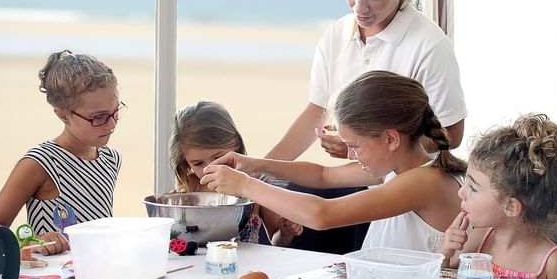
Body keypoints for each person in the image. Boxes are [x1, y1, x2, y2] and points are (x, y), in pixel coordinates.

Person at [266, 0, 467, 161]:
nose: (359, 7)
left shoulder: (430, 46)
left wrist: (360, 148)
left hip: (405, 188)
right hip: (351, 181)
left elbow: (452, 134)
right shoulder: (336, 35)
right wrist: (260, 170)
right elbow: (318, 111)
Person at [200, 71, 466, 253]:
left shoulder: (422, 182)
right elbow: (323, 176)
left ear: (390, 139)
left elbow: (322, 215)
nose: (350, 155)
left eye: (354, 146)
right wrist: (255, 165)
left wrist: (245, 186)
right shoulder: (401, 169)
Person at [0, 50, 122, 255]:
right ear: (62, 114)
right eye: (98, 117)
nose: (111, 124)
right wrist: (31, 243)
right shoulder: (40, 163)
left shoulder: (110, 159)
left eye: (115, 112)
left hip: (97, 277)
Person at [439, 114, 557, 279]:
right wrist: (445, 253)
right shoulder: (479, 240)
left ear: (511, 207)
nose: (461, 192)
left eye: (473, 188)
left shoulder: (552, 262)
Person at [168, 101, 302, 246]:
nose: (211, 167)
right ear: (185, 162)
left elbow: (277, 242)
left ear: (236, 145)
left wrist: (285, 232)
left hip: (247, 267)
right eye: (198, 163)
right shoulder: (190, 188)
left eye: (219, 157)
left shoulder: (257, 184)